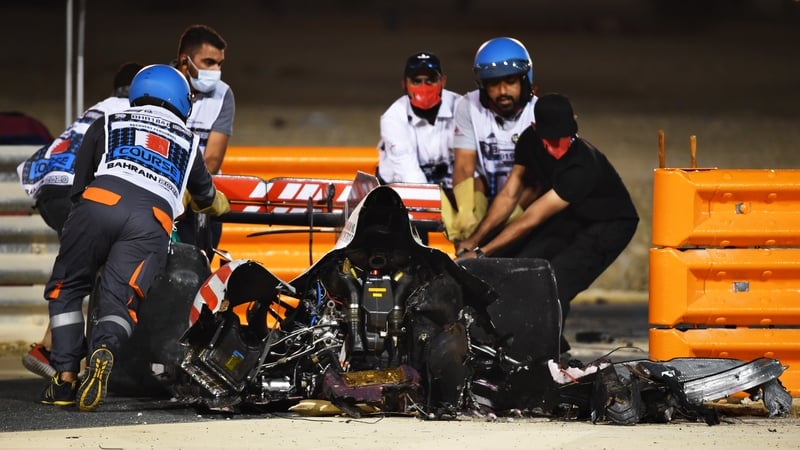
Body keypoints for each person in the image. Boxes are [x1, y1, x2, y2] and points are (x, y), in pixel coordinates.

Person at [39, 64, 230, 411]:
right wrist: (217, 202)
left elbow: (79, 183)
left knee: (66, 290)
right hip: (151, 220)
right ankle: (105, 349)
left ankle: (64, 380)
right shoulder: (188, 141)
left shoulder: (109, 121)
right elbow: (205, 197)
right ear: (181, 101)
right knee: (122, 302)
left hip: (99, 202)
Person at [455, 93, 639, 353]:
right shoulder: (530, 141)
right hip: (572, 215)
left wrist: (482, 252)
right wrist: (475, 240)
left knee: (554, 281)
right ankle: (503, 341)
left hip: (609, 223)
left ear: (574, 126)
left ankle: (549, 356)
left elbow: (533, 217)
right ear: (534, 129)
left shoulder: (581, 166)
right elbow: (509, 195)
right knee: (519, 265)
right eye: (550, 141)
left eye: (563, 140)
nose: (557, 149)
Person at [17, 62, 144, 380]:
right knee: (96, 266)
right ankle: (60, 353)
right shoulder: (130, 114)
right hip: (72, 189)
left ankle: (52, 347)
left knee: (82, 265)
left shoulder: (100, 107)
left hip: (46, 187)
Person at [442, 37, 539, 243]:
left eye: (510, 81)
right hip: (486, 192)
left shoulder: (539, 113)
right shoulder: (467, 106)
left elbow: (536, 181)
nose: (502, 91)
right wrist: (466, 211)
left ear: (525, 79)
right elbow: (464, 166)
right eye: (493, 83)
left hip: (526, 197)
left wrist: (507, 219)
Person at [172, 24, 235, 249]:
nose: (215, 71)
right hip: (158, 190)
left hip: (198, 193)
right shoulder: (158, 84)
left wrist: (189, 188)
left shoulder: (223, 95)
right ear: (184, 60)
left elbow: (212, 160)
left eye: (219, 64)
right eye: (209, 62)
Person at [377, 51, 460, 191]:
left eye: (431, 79)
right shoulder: (393, 118)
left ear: (443, 82)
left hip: (450, 191)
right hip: (399, 192)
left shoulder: (462, 108)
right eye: (416, 81)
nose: (424, 87)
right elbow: (411, 177)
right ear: (404, 84)